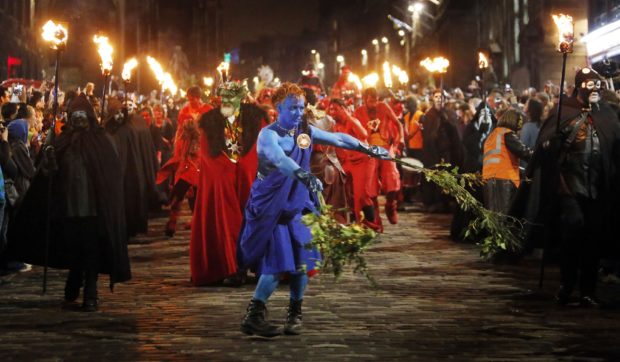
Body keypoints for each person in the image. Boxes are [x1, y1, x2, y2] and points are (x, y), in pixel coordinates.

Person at [237, 83, 389, 337]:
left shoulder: (303, 131)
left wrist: (368, 148)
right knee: (277, 263)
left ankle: (295, 313)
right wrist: (305, 176)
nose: (298, 113)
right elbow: (281, 161)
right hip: (274, 208)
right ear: (278, 107)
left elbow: (338, 138)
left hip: (299, 205)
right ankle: (254, 314)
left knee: (302, 262)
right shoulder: (269, 135)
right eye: (292, 108)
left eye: (300, 107)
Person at [8, 94, 130, 311]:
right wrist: (49, 161)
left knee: (91, 251)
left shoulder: (101, 142)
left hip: (93, 210)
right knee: (74, 249)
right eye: (75, 116)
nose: (79, 120)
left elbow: (112, 173)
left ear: (90, 118)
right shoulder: (61, 142)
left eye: (83, 116)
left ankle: (90, 293)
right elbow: (47, 175)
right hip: (68, 208)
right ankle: (74, 283)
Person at [511, 68, 620, 307]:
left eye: (597, 86)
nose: (594, 91)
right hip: (569, 186)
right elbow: (545, 148)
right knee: (573, 230)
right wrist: (552, 143)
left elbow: (614, 147)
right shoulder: (563, 113)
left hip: (598, 188)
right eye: (589, 85)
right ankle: (567, 284)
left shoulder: (607, 115)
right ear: (580, 87)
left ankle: (587, 291)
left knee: (593, 238)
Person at [190, 81, 267, 286]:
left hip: (249, 176)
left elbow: (263, 145)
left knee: (256, 219)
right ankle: (232, 266)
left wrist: (246, 167)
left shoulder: (255, 119)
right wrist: (226, 169)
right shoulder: (210, 122)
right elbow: (207, 153)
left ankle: (260, 264)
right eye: (223, 98)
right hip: (223, 177)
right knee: (228, 221)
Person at [157, 87, 211, 236]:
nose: (191, 101)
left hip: (201, 157)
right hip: (186, 157)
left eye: (193, 98)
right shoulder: (184, 111)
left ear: (199, 97)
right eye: (189, 98)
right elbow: (180, 131)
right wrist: (178, 152)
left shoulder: (208, 110)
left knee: (197, 193)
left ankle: (197, 222)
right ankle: (172, 222)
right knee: (178, 191)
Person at [354, 87, 404, 224]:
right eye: (371, 101)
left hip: (386, 148)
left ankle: (390, 206)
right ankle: (374, 218)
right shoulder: (358, 112)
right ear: (365, 100)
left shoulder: (383, 107)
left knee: (392, 178)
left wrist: (401, 140)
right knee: (370, 184)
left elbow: (398, 124)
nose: (374, 104)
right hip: (368, 150)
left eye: (376, 101)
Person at [481, 108, 532, 213]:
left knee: (492, 215)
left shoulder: (493, 134)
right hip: (503, 179)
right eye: (520, 122)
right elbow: (524, 152)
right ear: (514, 121)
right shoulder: (507, 134)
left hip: (489, 178)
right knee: (504, 216)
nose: (521, 126)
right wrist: (540, 155)